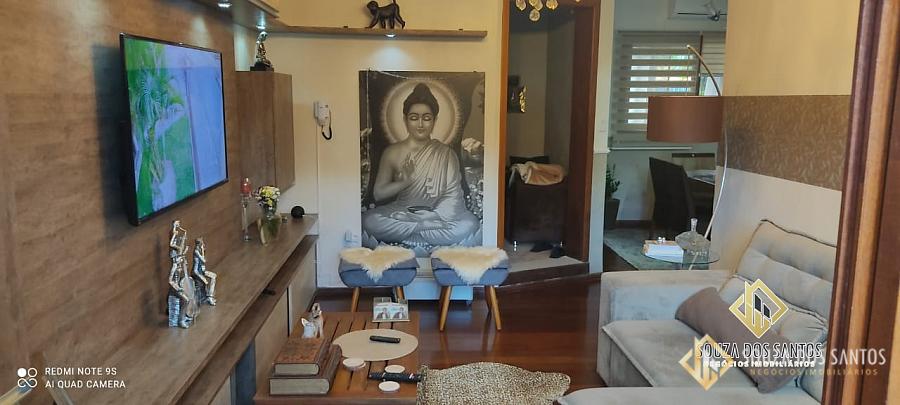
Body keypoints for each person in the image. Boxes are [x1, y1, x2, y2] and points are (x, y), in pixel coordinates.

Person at [362, 83, 479, 249]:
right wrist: (405, 182)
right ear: (405, 119)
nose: (420, 124)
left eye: (427, 118)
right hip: (403, 211)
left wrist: (432, 215)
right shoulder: (392, 152)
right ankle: (422, 229)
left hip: (435, 216)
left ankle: (415, 229)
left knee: (470, 223)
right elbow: (378, 194)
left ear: (435, 120)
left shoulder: (446, 153)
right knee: (369, 220)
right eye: (414, 118)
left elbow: (453, 196)